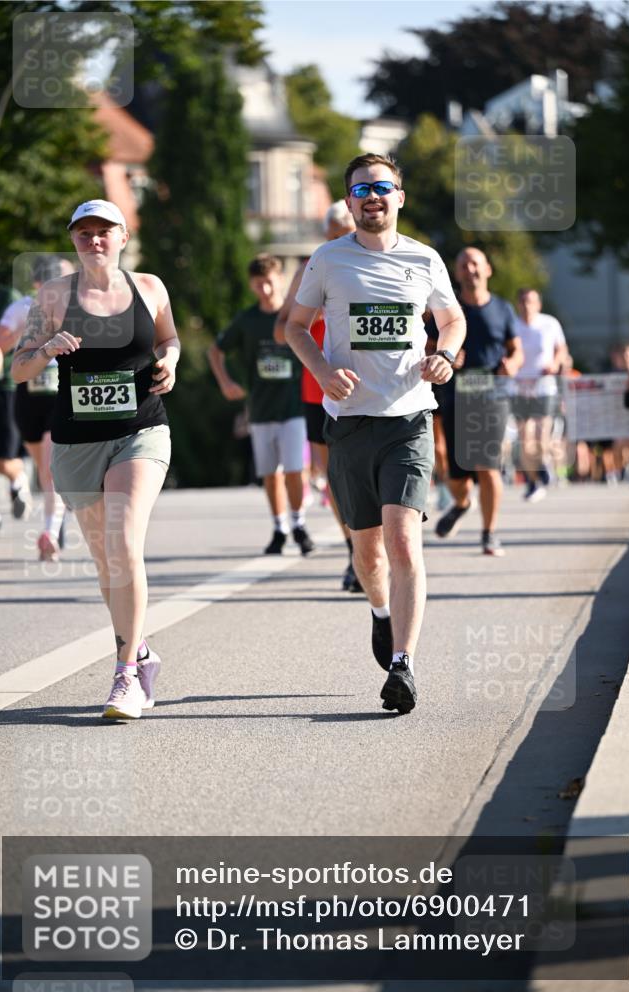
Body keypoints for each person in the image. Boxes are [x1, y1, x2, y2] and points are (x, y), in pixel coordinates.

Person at [286, 153, 466, 714]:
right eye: (362, 189)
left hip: (410, 418)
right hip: (349, 423)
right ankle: (381, 612)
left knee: (403, 539)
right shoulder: (328, 259)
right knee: (368, 554)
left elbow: (452, 318)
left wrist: (445, 354)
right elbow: (294, 327)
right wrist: (320, 370)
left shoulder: (425, 258)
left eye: (383, 188)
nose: (373, 197)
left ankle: (404, 665)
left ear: (399, 198)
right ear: (348, 202)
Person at [11, 199, 179, 720]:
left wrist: (170, 361)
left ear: (123, 236)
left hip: (141, 431)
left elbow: (169, 338)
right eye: (83, 233)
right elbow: (17, 368)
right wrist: (46, 351)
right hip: (76, 440)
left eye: (104, 231)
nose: (94, 240)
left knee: (124, 541)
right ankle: (143, 653)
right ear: (74, 242)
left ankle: (125, 673)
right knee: (108, 564)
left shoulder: (149, 288)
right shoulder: (55, 296)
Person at [275, 200, 361, 590]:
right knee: (336, 478)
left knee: (366, 473)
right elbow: (282, 330)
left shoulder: (372, 262)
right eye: (334, 234)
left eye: (347, 232)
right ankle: (354, 554)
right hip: (318, 389)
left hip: (369, 385)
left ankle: (373, 550)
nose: (341, 239)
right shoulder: (310, 268)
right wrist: (316, 319)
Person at [209, 254, 315, 556]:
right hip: (260, 408)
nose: (265, 290)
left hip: (294, 406)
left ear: (280, 280)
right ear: (251, 286)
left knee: (295, 469)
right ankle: (279, 527)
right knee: (270, 474)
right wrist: (225, 382)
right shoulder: (247, 320)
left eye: (269, 283)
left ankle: (299, 524)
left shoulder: (296, 315)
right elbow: (215, 351)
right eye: (259, 285)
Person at [432, 247, 524, 556]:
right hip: (456, 393)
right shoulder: (447, 309)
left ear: (487, 270)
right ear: (456, 273)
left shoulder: (502, 308)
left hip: (492, 393)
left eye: (475, 263)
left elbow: (516, 349)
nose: (469, 269)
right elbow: (428, 343)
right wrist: (445, 353)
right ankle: (461, 503)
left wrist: (513, 364)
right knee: (456, 474)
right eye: (463, 264)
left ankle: (490, 533)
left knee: (486, 464)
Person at [0, 256, 67, 559]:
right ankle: (58, 519)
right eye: (44, 282)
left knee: (51, 468)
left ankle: (50, 529)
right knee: (42, 468)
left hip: (60, 391)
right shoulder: (21, 308)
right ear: (36, 283)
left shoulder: (72, 306)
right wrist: (22, 333)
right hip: (28, 393)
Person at [0, 241, 31, 540]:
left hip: (3, 385)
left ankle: (18, 481)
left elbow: (2, 346)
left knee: (1, 459)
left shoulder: (7, 298)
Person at [511, 288, 568, 502]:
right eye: (523, 301)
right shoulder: (513, 325)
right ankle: (534, 481)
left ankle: (543, 465)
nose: (527, 305)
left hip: (544, 387)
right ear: (518, 304)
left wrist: (554, 363)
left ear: (538, 304)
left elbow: (561, 349)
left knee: (541, 437)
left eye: (531, 301)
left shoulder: (550, 324)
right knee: (525, 441)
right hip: (519, 388)